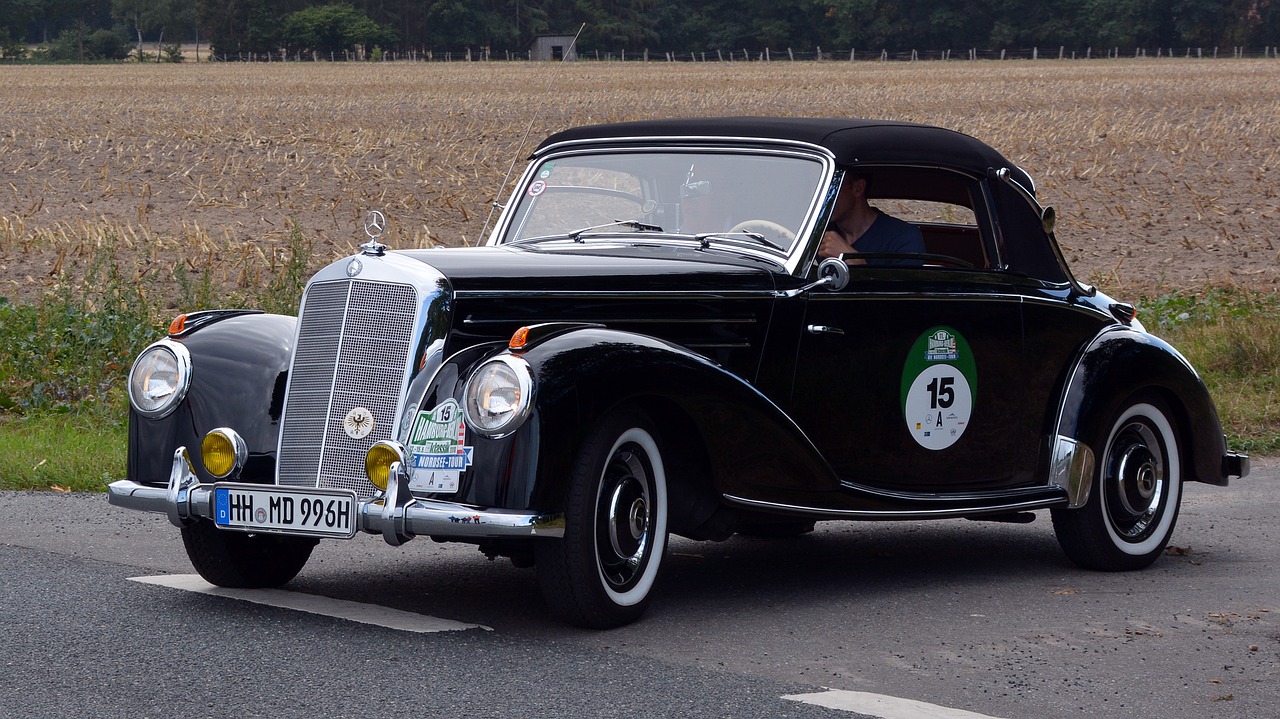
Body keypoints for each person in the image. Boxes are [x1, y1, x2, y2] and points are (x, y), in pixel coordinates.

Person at [817, 172, 924, 266]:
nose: (820, 197)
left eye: (830, 188)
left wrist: (856, 264)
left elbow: (905, 288)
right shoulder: (815, 231)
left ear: (858, 188)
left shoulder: (903, 237)